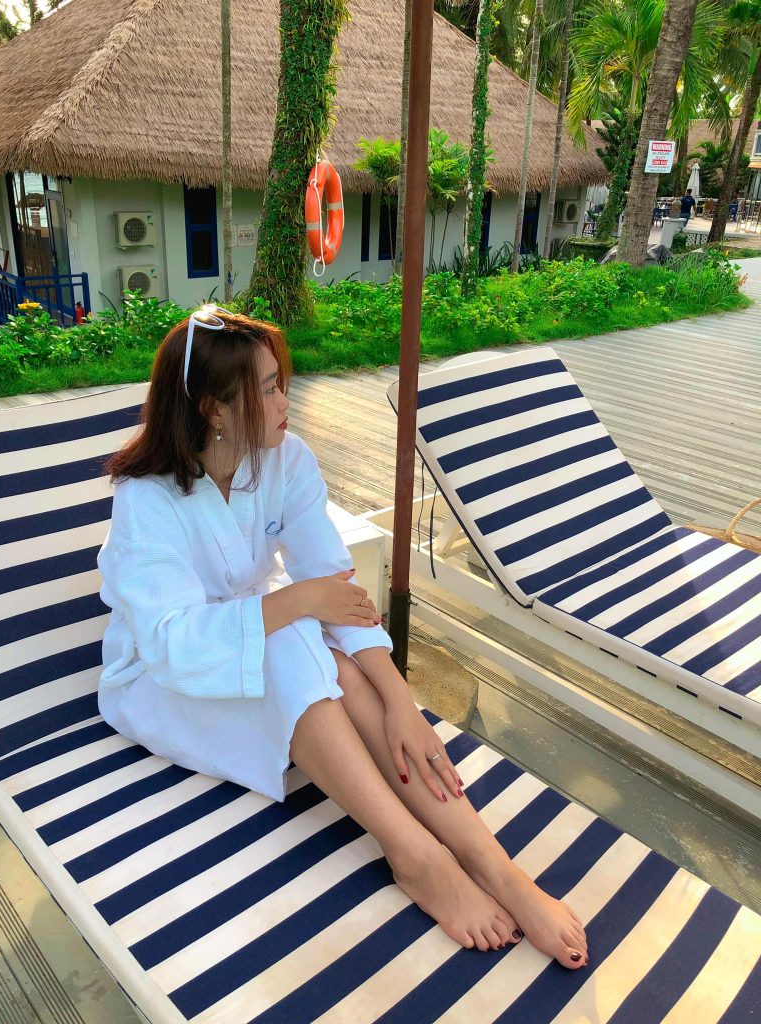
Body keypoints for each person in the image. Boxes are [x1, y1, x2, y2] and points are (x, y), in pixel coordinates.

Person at [97, 308, 589, 967]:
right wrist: (300, 600)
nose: (285, 400)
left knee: (345, 669)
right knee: (292, 633)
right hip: (161, 682)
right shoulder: (146, 498)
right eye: (267, 388)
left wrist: (401, 704)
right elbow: (171, 645)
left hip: (255, 642)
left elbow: (334, 583)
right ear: (214, 410)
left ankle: (495, 867)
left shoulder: (284, 460)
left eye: (282, 382)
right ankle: (416, 855)